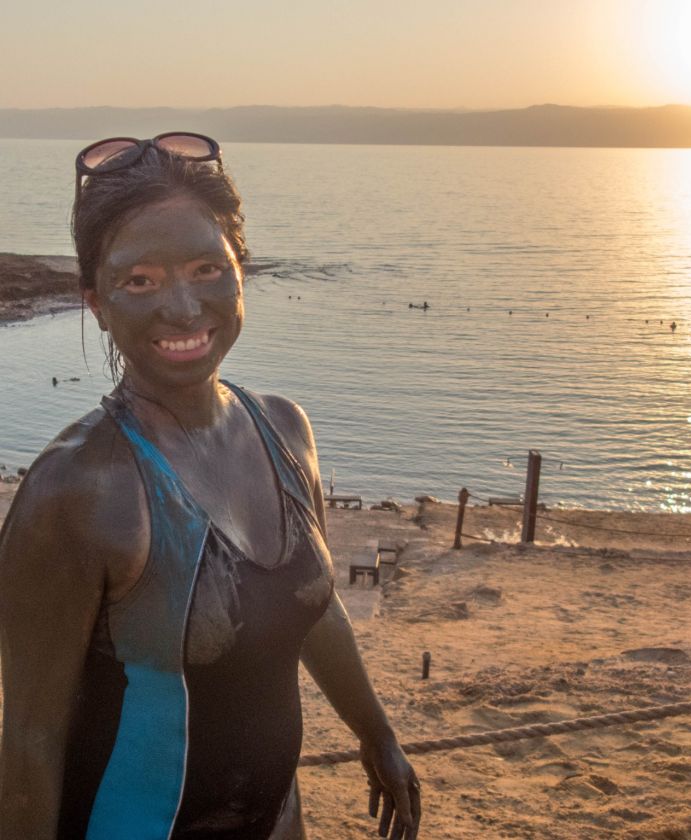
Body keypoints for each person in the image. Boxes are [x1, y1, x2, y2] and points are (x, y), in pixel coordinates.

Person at [0, 133, 421, 840]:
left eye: (207, 268)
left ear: (240, 271)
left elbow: (311, 605)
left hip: (279, 823)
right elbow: (30, 741)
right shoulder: (77, 491)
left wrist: (375, 731)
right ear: (96, 301)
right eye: (140, 281)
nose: (185, 307)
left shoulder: (284, 431)